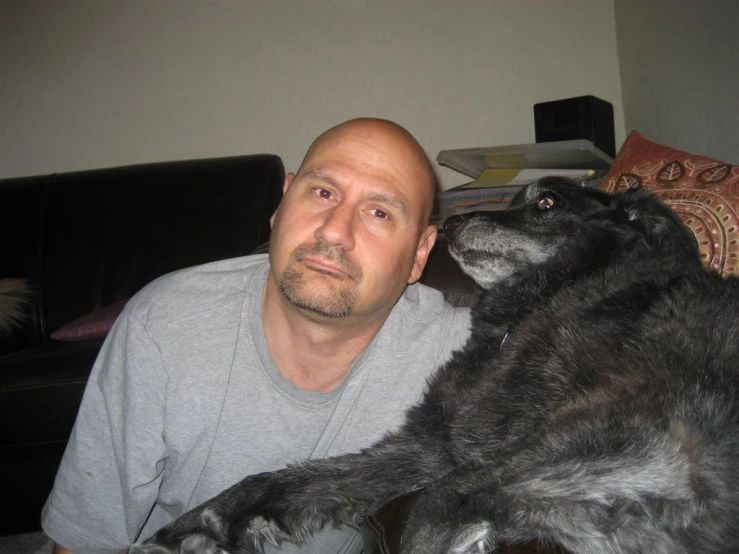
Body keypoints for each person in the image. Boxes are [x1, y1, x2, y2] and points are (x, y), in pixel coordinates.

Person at [42, 118, 471, 554]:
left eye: (379, 212)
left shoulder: (463, 357)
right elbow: (83, 543)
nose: (334, 230)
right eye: (323, 193)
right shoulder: (166, 326)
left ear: (420, 253)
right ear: (281, 205)